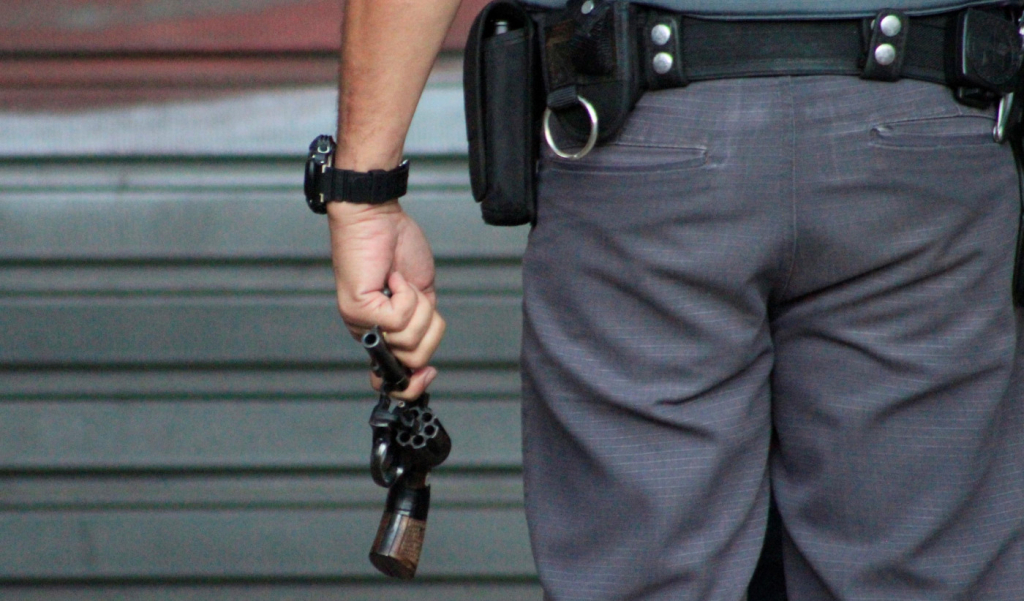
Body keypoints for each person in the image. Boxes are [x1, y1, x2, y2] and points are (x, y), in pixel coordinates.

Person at [325, 0, 1024, 599]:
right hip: (926, 134)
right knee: (922, 576)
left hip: (643, 141)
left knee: (643, 578)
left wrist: (363, 193)